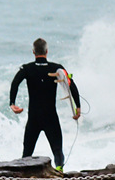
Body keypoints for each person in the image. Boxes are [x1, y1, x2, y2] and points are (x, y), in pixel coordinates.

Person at [9, 38, 81, 171]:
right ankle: (59, 172)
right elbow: (71, 84)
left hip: (34, 118)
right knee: (57, 151)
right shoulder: (56, 68)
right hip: (50, 117)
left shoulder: (27, 68)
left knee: (26, 154)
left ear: (33, 52)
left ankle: (24, 178)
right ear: (47, 51)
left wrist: (12, 103)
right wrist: (78, 107)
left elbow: (15, 82)